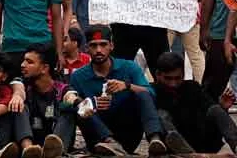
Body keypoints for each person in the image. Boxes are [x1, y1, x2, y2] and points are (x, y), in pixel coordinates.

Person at [59, 24, 167, 155]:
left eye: (103, 45)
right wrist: (89, 102)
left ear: (111, 46)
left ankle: (155, 139)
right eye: (93, 45)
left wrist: (127, 86)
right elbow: (64, 105)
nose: (99, 50)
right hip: (98, 139)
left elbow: (151, 95)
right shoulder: (79, 76)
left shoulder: (129, 67)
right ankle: (108, 141)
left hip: (127, 134)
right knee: (79, 104)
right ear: (86, 48)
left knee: (143, 94)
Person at [152, 50, 237, 154]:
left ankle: (236, 144)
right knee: (161, 115)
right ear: (158, 75)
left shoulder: (192, 87)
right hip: (172, 144)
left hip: (201, 141)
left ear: (183, 75)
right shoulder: (152, 91)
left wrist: (223, 107)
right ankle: (185, 151)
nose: (173, 84)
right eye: (168, 78)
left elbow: (210, 109)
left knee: (216, 109)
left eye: (178, 78)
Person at [12, 45, 67, 158]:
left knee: (69, 109)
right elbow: (17, 85)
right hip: (33, 139)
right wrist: (17, 95)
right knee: (18, 105)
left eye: (29, 62)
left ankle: (54, 152)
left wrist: (74, 100)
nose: (22, 65)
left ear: (44, 68)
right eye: (23, 61)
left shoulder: (61, 88)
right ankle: (29, 150)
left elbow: (72, 95)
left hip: (56, 140)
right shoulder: (23, 83)